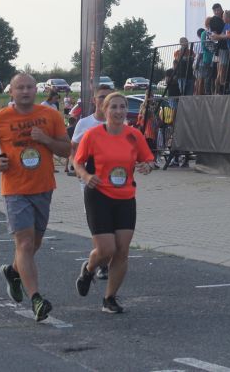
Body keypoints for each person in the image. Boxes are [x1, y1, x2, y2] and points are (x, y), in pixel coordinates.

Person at [0, 73, 70, 322]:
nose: (25, 91)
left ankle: (13, 272)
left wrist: (46, 139)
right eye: (20, 88)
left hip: (43, 187)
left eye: (29, 87)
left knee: (34, 245)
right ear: (12, 92)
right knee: (25, 245)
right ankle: (36, 299)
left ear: (36, 90)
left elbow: (66, 149)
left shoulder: (50, 115)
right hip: (15, 189)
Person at [74, 92, 155, 314]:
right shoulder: (92, 135)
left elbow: (148, 158)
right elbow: (77, 162)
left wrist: (147, 166)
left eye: (122, 107)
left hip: (125, 197)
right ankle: (89, 269)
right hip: (98, 195)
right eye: (114, 107)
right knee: (106, 250)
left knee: (122, 251)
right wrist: (86, 176)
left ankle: (109, 298)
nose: (119, 111)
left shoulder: (134, 135)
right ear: (105, 110)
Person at [70, 84, 113, 279]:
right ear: (94, 100)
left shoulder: (118, 122)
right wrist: (78, 169)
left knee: (112, 220)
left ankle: (105, 257)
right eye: (101, 97)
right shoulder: (85, 123)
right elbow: (73, 148)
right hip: (90, 179)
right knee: (98, 221)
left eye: (108, 97)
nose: (105, 100)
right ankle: (103, 263)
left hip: (113, 181)